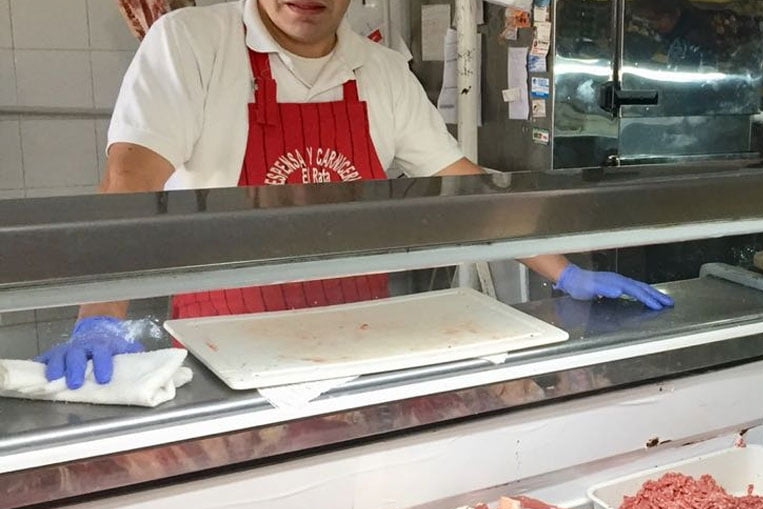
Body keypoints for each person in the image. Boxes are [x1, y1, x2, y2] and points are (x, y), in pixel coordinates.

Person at [37, 0, 672, 390]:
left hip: (359, 341)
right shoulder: (190, 43)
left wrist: (564, 272)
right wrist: (100, 317)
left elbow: (463, 187)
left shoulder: (382, 72)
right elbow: (129, 179)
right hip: (226, 346)